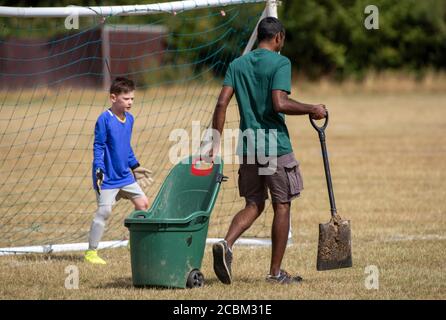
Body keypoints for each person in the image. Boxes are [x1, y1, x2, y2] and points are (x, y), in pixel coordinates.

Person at [210, 17, 327, 284]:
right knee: (282, 205)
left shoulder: (237, 64)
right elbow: (279, 102)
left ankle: (226, 244)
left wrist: (216, 143)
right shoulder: (281, 62)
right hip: (275, 147)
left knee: (253, 204)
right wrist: (313, 108)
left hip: (249, 147)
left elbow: (221, 104)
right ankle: (275, 273)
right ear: (278, 38)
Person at [85, 77, 153, 265]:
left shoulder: (130, 119)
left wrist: (135, 166)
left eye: (132, 99)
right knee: (104, 212)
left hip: (125, 175)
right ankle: (91, 253)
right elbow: (98, 146)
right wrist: (99, 169)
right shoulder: (104, 119)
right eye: (126, 99)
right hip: (107, 177)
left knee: (143, 204)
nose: (130, 102)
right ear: (113, 98)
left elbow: (126, 146)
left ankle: (133, 243)